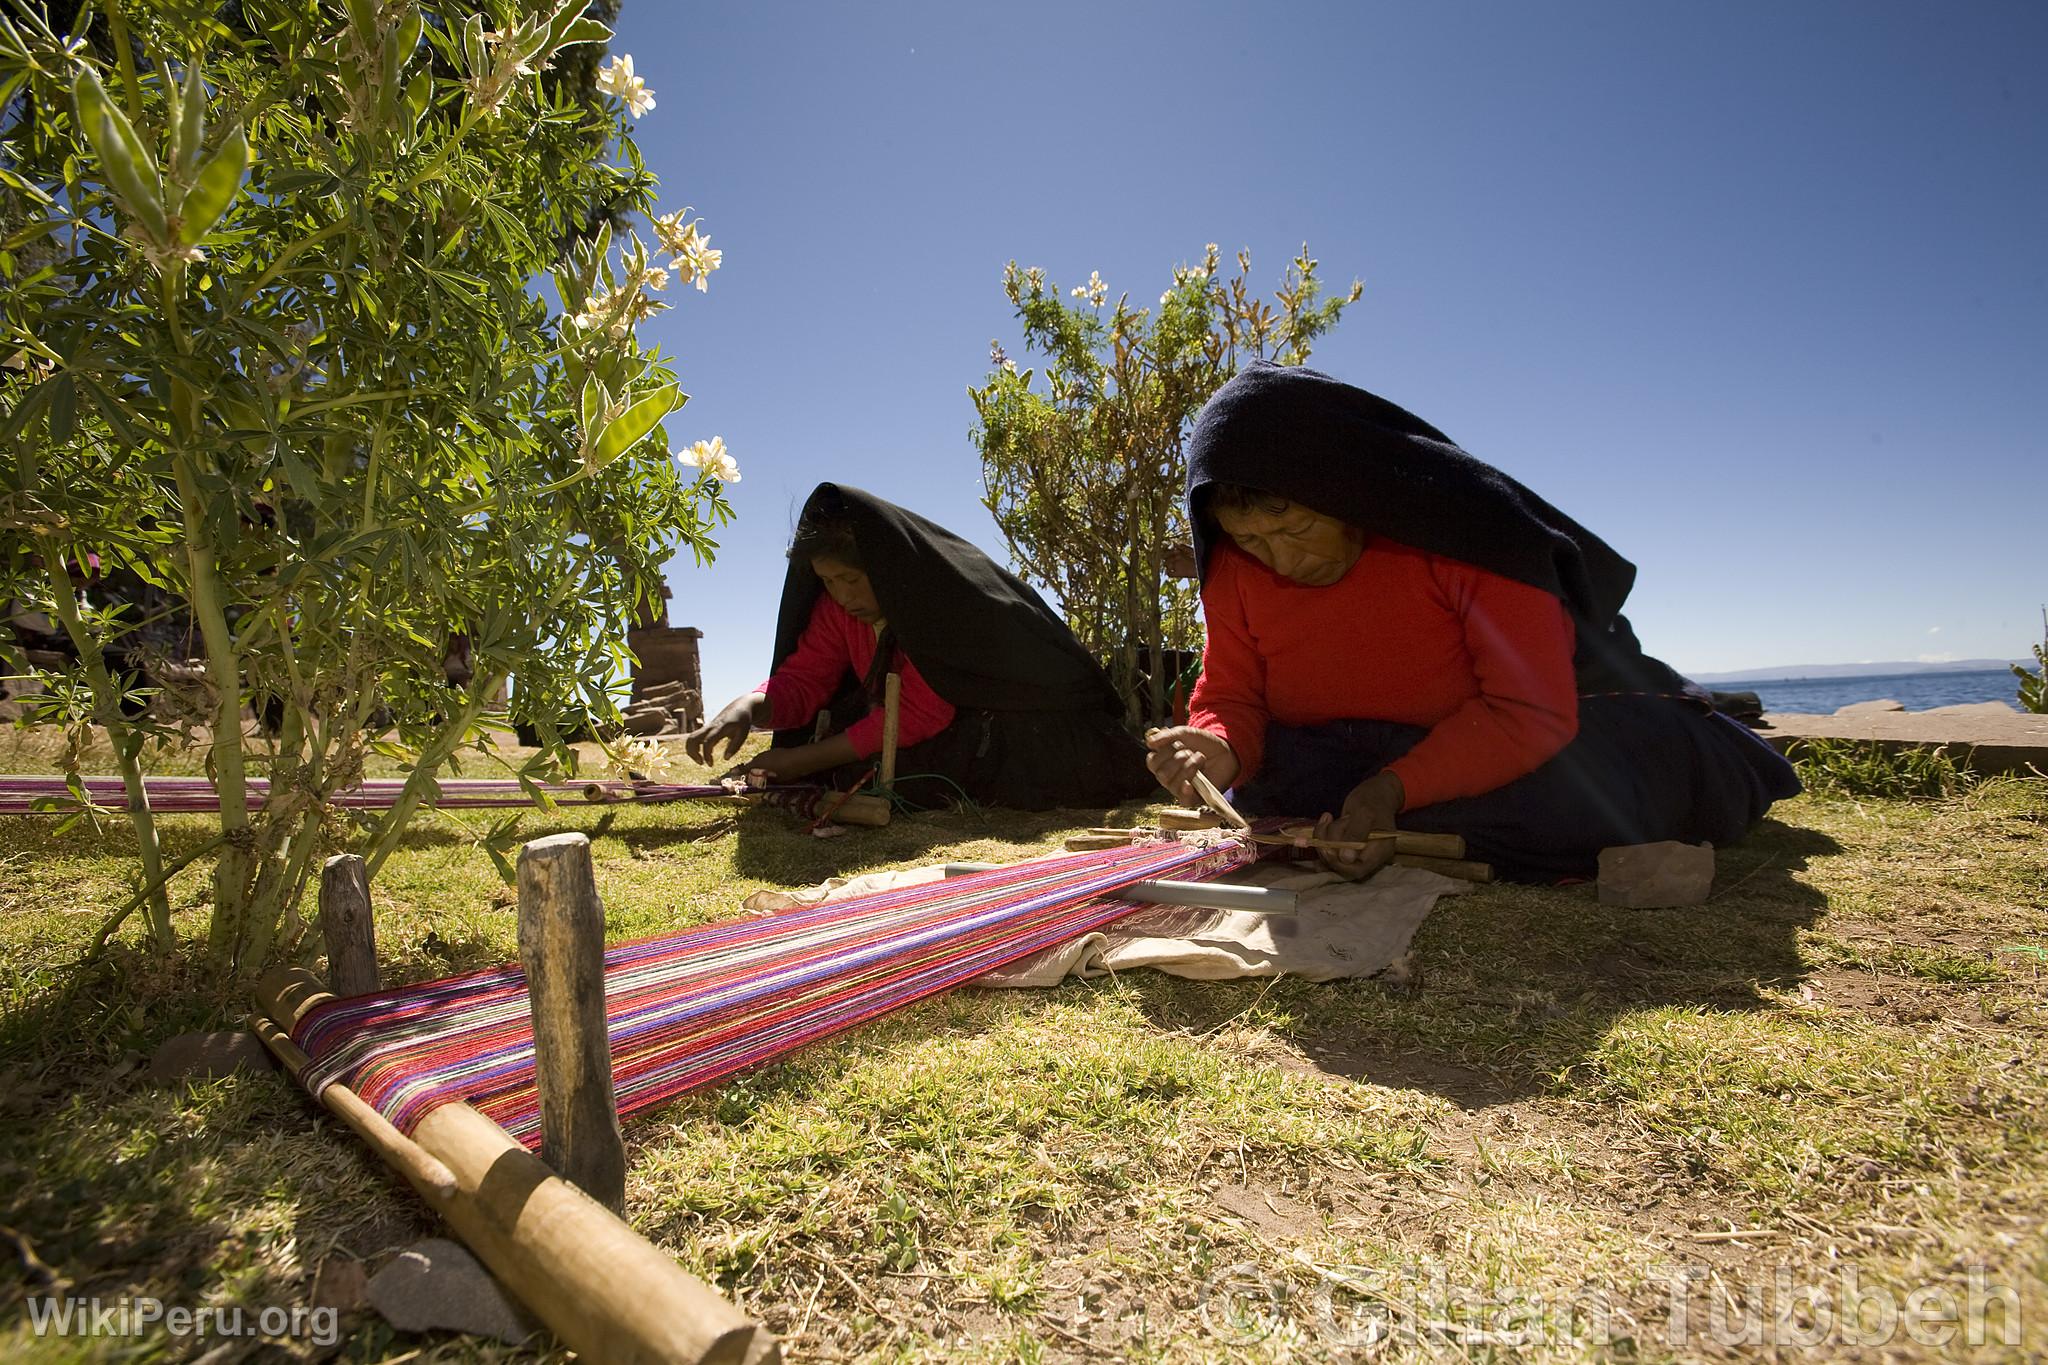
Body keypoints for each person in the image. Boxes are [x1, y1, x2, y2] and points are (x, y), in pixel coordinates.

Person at [1146, 362, 1800, 882]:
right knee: (1285, 791)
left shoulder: (1473, 535)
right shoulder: (1234, 568)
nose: (1281, 560)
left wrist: (1391, 792)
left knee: (1611, 781)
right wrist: (1220, 747)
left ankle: (1399, 831)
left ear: (1348, 495)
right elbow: (1233, 696)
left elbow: (1529, 713)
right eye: (1254, 541)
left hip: (1521, 733)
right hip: (1342, 754)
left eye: (1296, 528)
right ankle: (1403, 831)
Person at [686, 483, 1154, 810]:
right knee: (862, 761)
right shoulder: (839, 613)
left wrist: (801, 760)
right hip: (927, 730)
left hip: (1020, 720)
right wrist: (753, 704)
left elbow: (922, 712)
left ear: (886, 569)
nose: (844, 596)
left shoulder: (934, 603)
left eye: (852, 579)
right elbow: (807, 678)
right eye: (829, 583)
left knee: (924, 770)